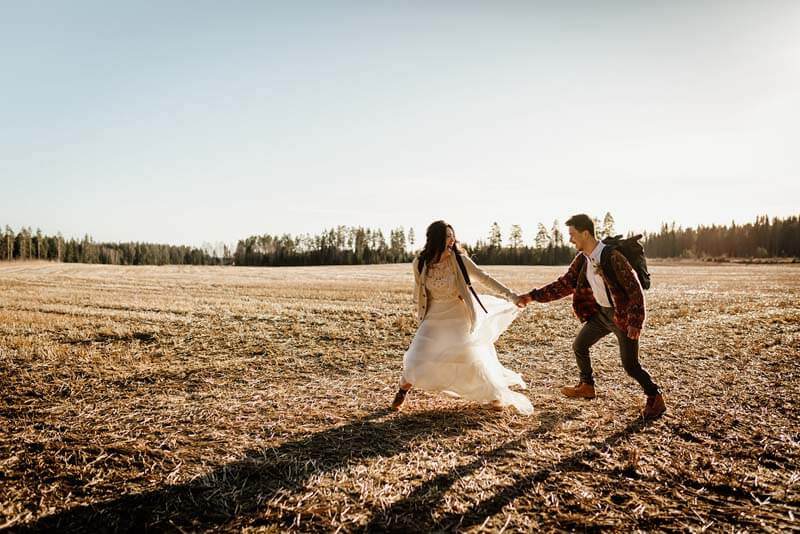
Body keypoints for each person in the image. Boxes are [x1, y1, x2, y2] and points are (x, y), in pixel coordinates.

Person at [516, 214, 666, 419]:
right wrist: (532, 296)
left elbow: (634, 290)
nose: (570, 239)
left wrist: (635, 322)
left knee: (630, 366)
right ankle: (587, 385)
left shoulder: (611, 256)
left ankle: (655, 396)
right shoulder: (583, 260)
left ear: (585, 233)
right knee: (580, 345)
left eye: (573, 234)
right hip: (601, 315)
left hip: (621, 317)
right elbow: (564, 284)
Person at [390, 220, 533, 415]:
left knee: (469, 357)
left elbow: (485, 278)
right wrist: (420, 312)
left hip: (458, 316)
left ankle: (493, 394)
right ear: (436, 239)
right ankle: (402, 391)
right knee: (417, 355)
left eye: (452, 235)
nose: (452, 240)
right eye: (447, 236)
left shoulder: (460, 261)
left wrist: (512, 296)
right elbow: (419, 292)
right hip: (433, 317)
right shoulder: (421, 262)